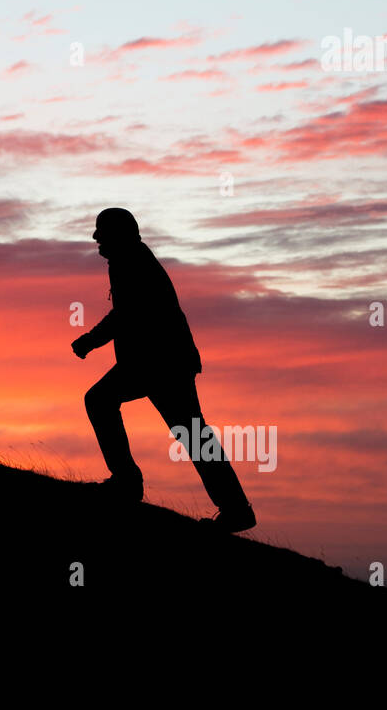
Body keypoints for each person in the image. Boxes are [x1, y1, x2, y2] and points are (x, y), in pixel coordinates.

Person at [72, 207, 256, 532]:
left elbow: (128, 313)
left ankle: (127, 483)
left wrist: (90, 340)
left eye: (102, 231)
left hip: (159, 363)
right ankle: (235, 509)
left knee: (102, 401)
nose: (96, 237)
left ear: (119, 233)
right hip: (159, 362)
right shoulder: (129, 258)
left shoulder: (131, 260)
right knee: (192, 433)